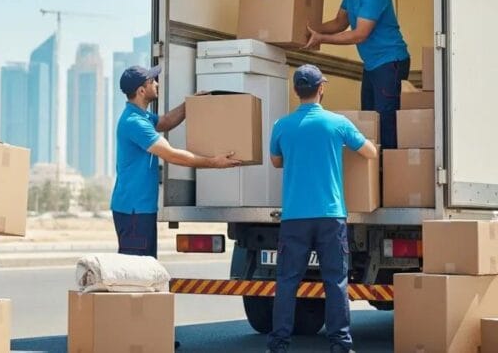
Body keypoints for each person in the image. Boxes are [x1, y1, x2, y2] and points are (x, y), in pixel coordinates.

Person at [266, 64, 378, 353]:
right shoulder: (337, 123)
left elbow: (276, 161)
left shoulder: (281, 125)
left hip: (294, 217)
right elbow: (369, 152)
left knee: (287, 281)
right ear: (321, 88)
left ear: (296, 90)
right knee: (335, 281)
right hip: (330, 216)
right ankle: (340, 344)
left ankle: (278, 344)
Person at [110, 64, 242, 260]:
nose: (156, 84)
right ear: (141, 91)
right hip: (134, 211)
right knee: (136, 268)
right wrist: (214, 162)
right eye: (152, 81)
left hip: (139, 209)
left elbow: (166, 121)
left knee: (145, 265)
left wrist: (189, 104)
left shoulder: (141, 116)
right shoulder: (135, 123)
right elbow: (171, 155)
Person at [305, 0, 410, 149]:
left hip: (390, 62)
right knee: (369, 118)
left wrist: (321, 39)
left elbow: (360, 34)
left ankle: (388, 167)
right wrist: (310, 29)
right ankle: (372, 166)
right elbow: (339, 23)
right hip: (372, 64)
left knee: (385, 120)